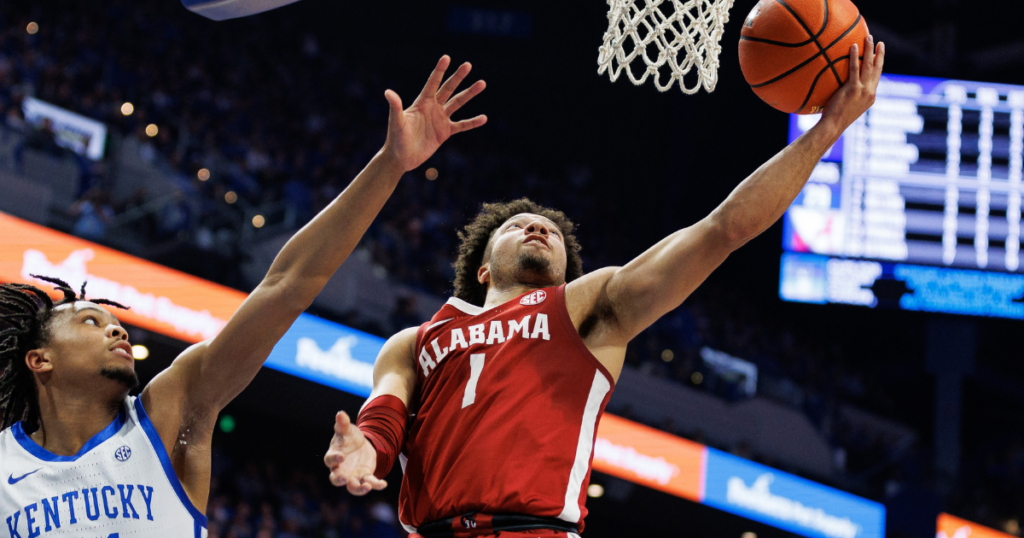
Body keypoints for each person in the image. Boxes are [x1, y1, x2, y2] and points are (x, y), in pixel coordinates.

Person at [324, 40, 885, 538]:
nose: (537, 226)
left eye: (550, 231)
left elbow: (723, 230)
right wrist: (363, 448)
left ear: (566, 271)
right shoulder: (415, 341)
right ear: (484, 270)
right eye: (516, 226)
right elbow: (385, 419)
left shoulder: (586, 307)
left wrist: (825, 133)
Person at [0, 56, 486, 538]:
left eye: (111, 319)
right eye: (88, 321)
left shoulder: (173, 413)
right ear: (39, 359)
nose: (116, 326)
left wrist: (390, 165)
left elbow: (287, 285)